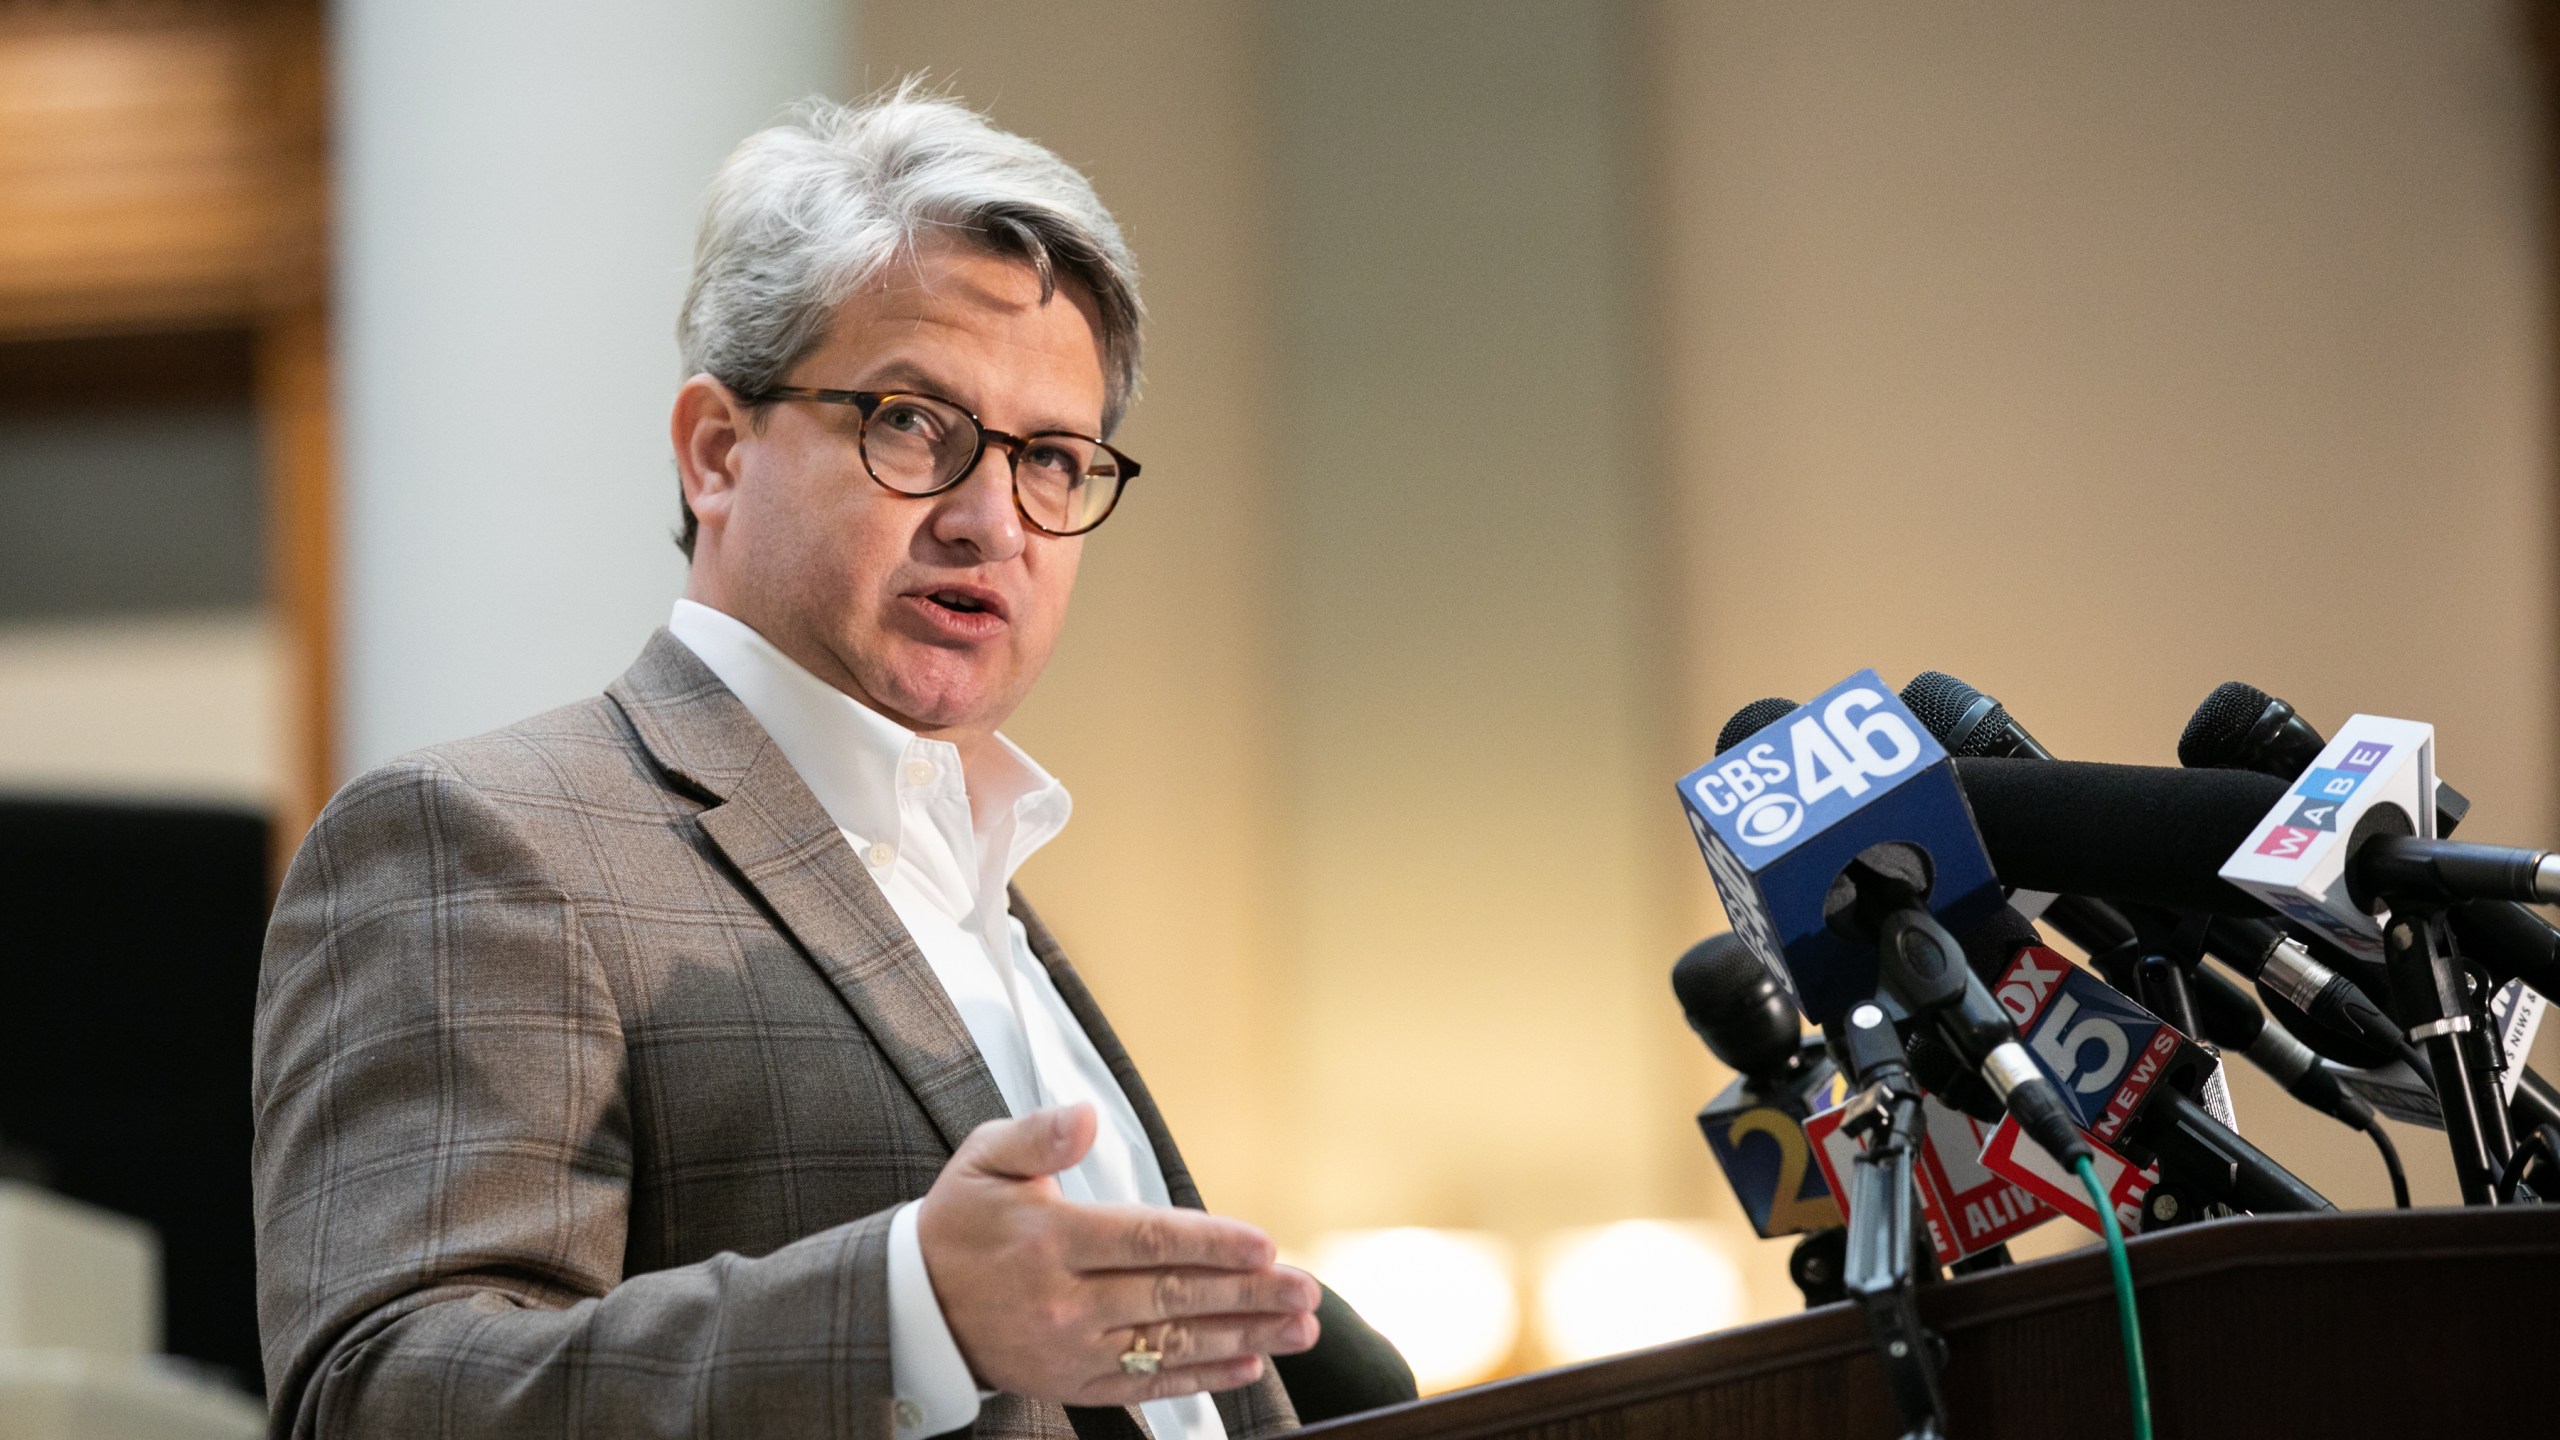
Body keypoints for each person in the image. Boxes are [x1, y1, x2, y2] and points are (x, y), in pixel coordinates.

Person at [253, 88, 1408, 1439]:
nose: (994, 520)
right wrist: (910, 1310)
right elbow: (381, 1397)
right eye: (915, 424)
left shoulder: (988, 894)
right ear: (717, 452)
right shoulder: (484, 836)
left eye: (1053, 457)